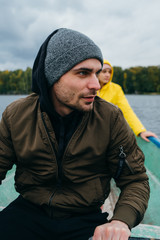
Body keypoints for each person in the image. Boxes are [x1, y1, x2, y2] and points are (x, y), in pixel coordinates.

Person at [0, 28, 149, 240]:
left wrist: (120, 221)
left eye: (97, 73)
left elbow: (135, 180)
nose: (96, 84)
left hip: (85, 219)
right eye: (83, 73)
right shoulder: (16, 115)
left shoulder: (110, 118)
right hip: (28, 212)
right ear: (53, 75)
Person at [97, 59, 158, 142]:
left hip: (106, 131)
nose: (107, 75)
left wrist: (141, 131)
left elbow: (127, 110)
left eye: (109, 72)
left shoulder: (116, 89)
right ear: (97, 72)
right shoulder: (89, 87)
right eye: (104, 71)